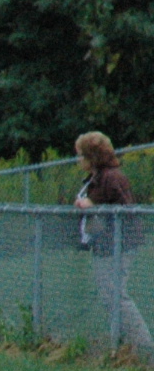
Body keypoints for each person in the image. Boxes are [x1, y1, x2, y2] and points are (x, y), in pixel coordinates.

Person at [74, 130, 151, 354]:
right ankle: (122, 348)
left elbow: (126, 211)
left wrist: (95, 208)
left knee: (115, 295)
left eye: (81, 155)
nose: (78, 160)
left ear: (93, 156)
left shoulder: (112, 177)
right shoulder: (96, 178)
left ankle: (146, 349)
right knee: (108, 296)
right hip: (105, 246)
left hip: (120, 245)